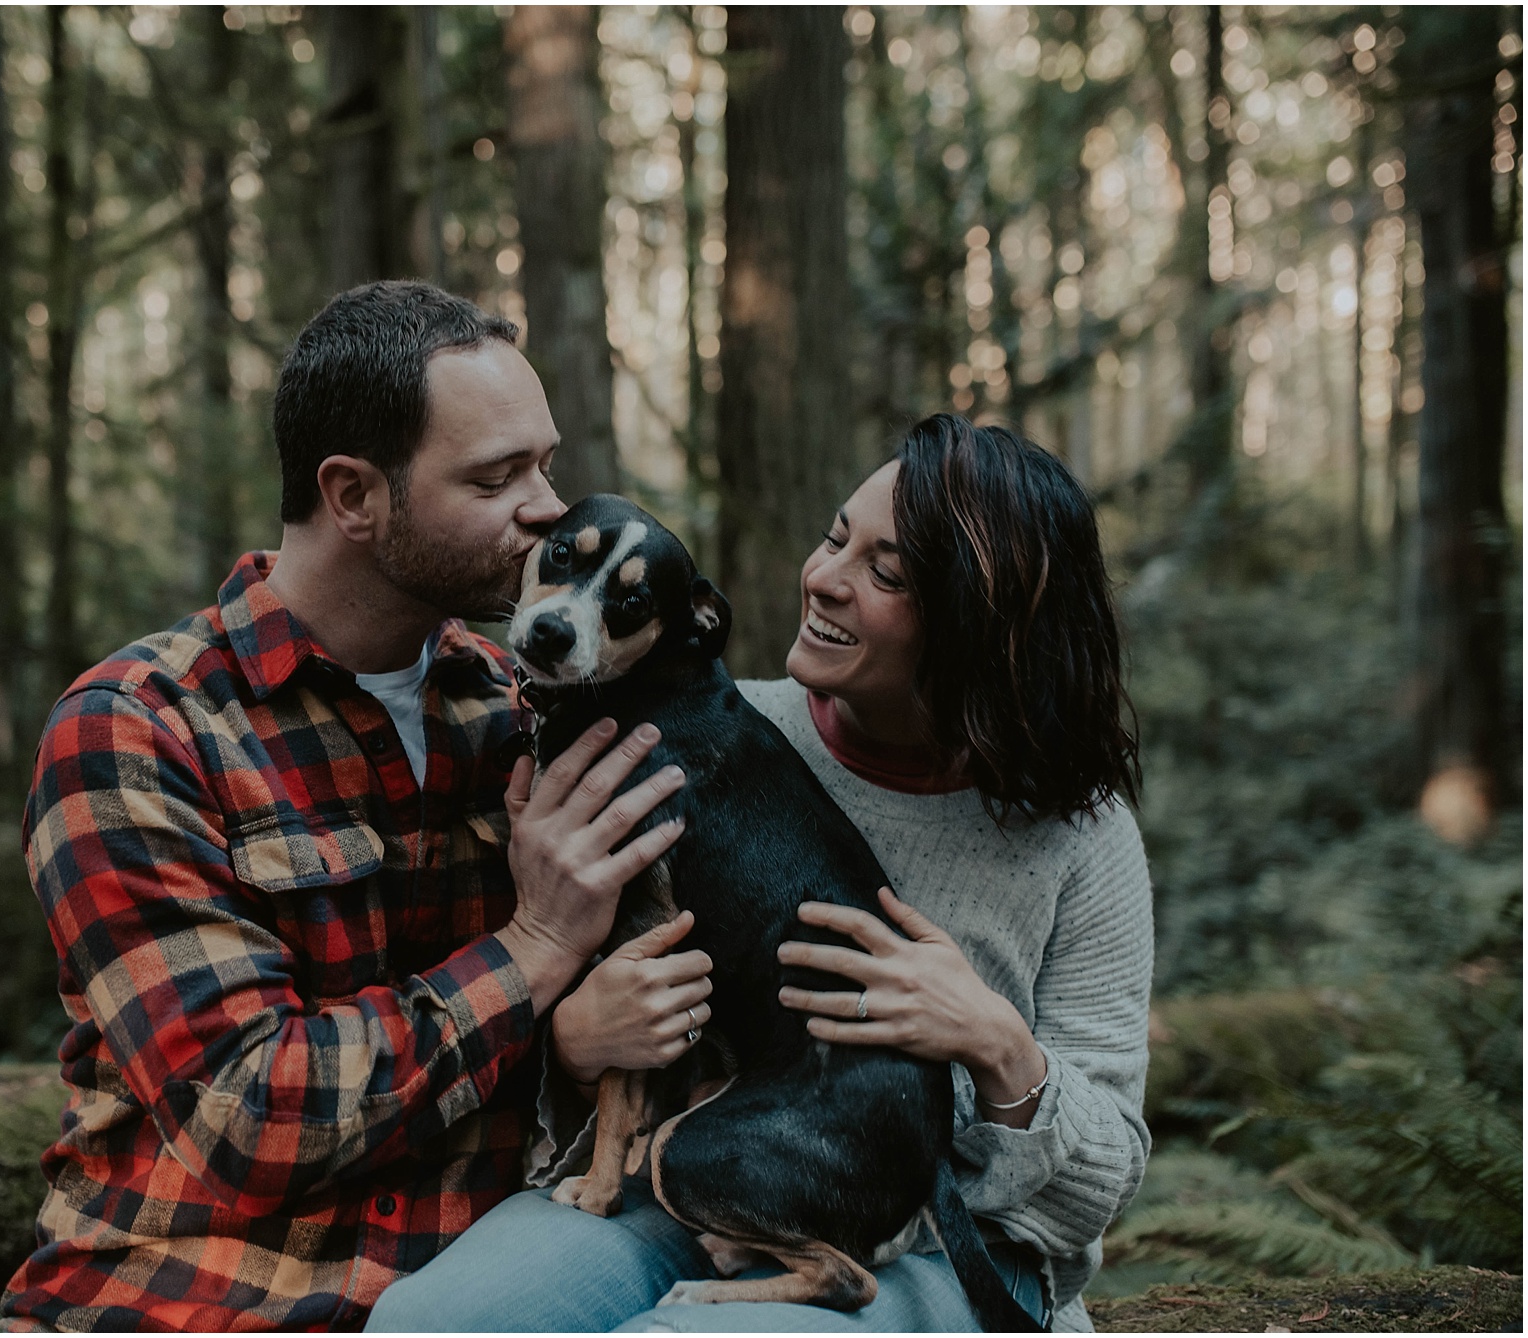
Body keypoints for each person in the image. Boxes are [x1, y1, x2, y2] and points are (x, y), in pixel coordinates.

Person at [0, 281, 706, 1331]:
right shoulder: (137, 732)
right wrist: (538, 948)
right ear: (353, 496)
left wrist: (559, 1039)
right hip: (186, 1296)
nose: (548, 507)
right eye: (496, 476)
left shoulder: (520, 710)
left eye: (545, 464)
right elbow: (253, 1115)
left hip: (476, 1291)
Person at [368, 413, 1153, 1333]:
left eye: (885, 573)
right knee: (434, 1323)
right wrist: (578, 1039)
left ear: (978, 632)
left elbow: (1103, 1182)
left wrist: (1001, 1047)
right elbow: (599, 1027)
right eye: (835, 538)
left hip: (964, 1247)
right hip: (708, 1176)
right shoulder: (693, 732)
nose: (822, 578)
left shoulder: (1079, 840)